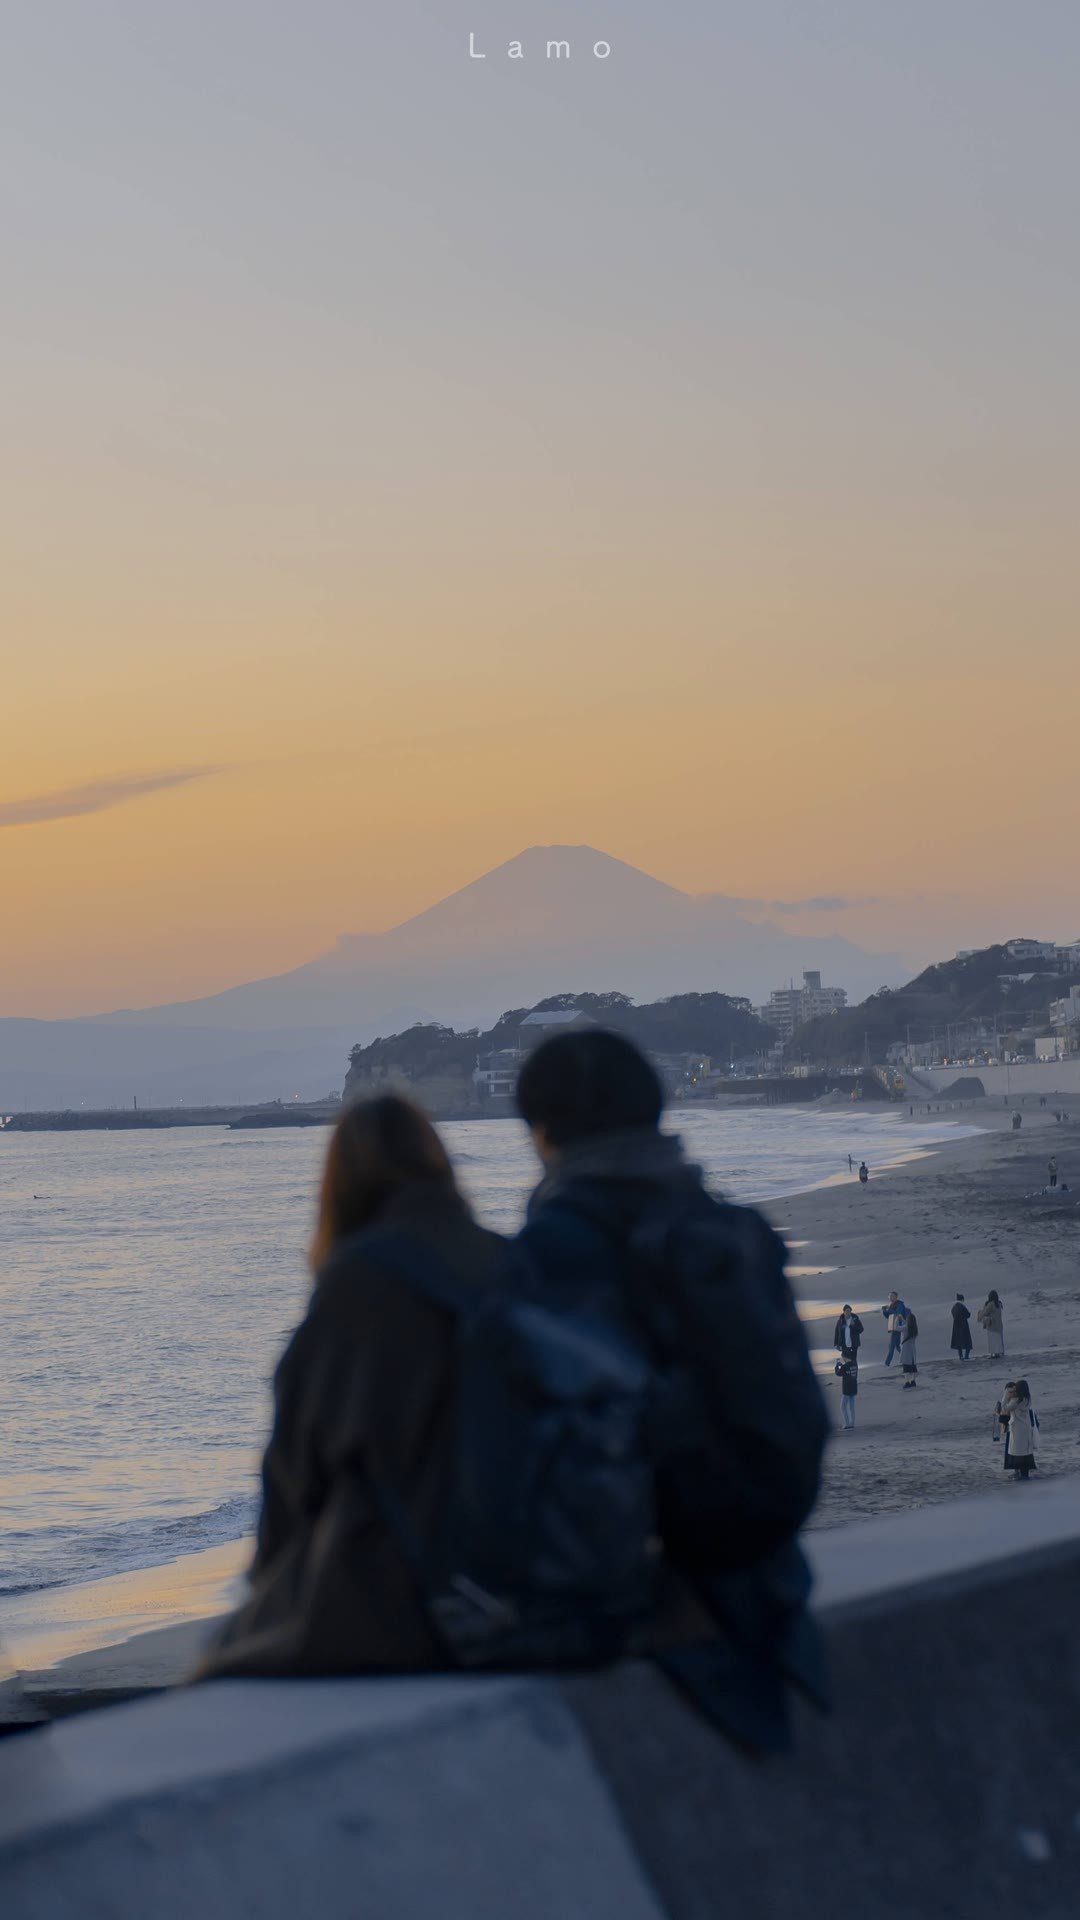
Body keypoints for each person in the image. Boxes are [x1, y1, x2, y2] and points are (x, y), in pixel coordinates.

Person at [514, 1028, 830, 1752]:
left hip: (663, 1570)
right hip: (768, 1549)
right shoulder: (724, 1224)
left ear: (541, 1133)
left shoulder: (556, 1246)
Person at [197, 1095, 508, 1678]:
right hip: (519, 1570)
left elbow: (297, 1466)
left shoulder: (361, 1280)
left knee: (221, 1666)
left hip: (411, 1591)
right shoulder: (506, 1260)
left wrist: (271, 1584)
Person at [1001, 1379, 1039, 1480]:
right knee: (1025, 1452)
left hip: (1017, 1429)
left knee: (1018, 1452)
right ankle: (1024, 1475)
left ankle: (1020, 1475)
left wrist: (1006, 1394)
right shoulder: (1027, 1399)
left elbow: (1004, 1408)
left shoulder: (1016, 1401)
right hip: (1025, 1428)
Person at [881, 1291, 908, 1367]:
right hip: (892, 1326)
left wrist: (889, 1310)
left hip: (898, 1327)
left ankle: (887, 1363)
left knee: (892, 1345)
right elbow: (888, 1316)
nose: (890, 1297)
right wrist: (884, 1311)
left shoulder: (900, 1304)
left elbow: (897, 1314)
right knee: (897, 1345)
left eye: (892, 1296)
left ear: (896, 1297)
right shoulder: (892, 1305)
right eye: (889, 1296)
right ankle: (905, 1358)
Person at [977, 1290, 1005, 1358]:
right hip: (999, 1325)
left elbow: (985, 1312)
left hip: (992, 1325)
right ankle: (999, 1353)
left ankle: (994, 1354)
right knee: (998, 1340)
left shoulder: (990, 1304)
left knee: (993, 1340)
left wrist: (979, 1313)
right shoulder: (999, 1303)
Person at [836, 1354, 858, 1430]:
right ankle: (852, 1422)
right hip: (854, 1387)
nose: (843, 1359)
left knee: (842, 1407)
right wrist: (841, 1366)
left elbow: (838, 1373)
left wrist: (837, 1366)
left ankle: (847, 1423)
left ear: (845, 1357)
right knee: (852, 1406)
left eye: (843, 1358)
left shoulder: (845, 1366)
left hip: (847, 1389)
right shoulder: (855, 1364)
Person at [950, 1294, 973, 1361]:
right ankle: (966, 1356)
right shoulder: (962, 1306)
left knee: (958, 1342)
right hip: (964, 1325)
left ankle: (961, 1356)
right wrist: (969, 1313)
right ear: (962, 1299)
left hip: (956, 1326)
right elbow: (967, 1315)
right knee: (968, 1341)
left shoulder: (954, 1307)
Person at [900, 1309, 919, 1389]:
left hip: (906, 1351)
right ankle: (913, 1381)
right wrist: (903, 1320)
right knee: (913, 1367)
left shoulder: (905, 1328)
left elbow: (896, 1328)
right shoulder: (915, 1328)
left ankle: (907, 1382)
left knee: (906, 1368)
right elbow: (907, 1325)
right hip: (912, 1351)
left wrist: (897, 1320)